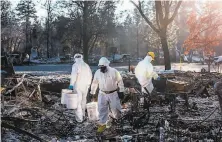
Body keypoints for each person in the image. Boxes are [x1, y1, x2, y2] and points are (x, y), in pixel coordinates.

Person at [90, 57, 124, 133]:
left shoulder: (114, 71)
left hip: (113, 93)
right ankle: (102, 124)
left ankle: (118, 121)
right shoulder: (98, 72)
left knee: (116, 108)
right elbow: (95, 82)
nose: (102, 68)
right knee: (101, 109)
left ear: (107, 65)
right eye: (101, 67)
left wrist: (121, 90)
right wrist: (92, 92)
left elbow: (120, 81)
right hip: (102, 93)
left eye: (103, 67)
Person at [69, 53, 92, 122]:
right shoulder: (86, 65)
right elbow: (90, 75)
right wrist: (88, 84)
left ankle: (79, 119)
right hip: (85, 86)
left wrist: (71, 84)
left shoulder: (75, 65)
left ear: (75, 58)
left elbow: (74, 76)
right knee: (83, 100)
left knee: (78, 101)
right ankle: (83, 115)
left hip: (78, 85)